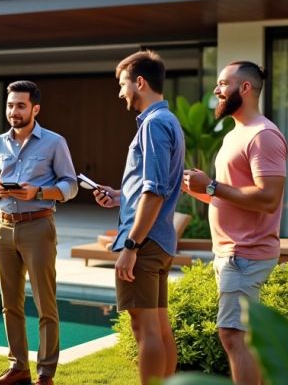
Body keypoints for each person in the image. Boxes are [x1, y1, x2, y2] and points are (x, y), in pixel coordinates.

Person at [182, 61, 287, 385]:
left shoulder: (263, 136)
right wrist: (198, 190)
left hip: (246, 253)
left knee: (232, 334)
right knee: (239, 335)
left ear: (245, 88)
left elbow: (268, 197)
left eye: (223, 83)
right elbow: (229, 196)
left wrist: (212, 186)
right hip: (230, 251)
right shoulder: (235, 135)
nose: (216, 90)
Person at [90, 50, 184, 384]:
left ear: (140, 83)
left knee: (144, 329)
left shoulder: (154, 125)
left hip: (144, 241)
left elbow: (155, 191)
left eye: (123, 84)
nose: (120, 93)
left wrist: (131, 245)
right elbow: (155, 186)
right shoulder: (168, 121)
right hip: (160, 239)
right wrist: (119, 195)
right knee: (158, 326)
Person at [0, 80, 78, 385]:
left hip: (38, 226)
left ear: (35, 108)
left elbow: (70, 185)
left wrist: (39, 193)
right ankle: (18, 367)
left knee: (45, 304)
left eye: (20, 105)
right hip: (4, 226)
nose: (13, 111)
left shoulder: (54, 142)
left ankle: (45, 373)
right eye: (10, 105)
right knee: (10, 303)